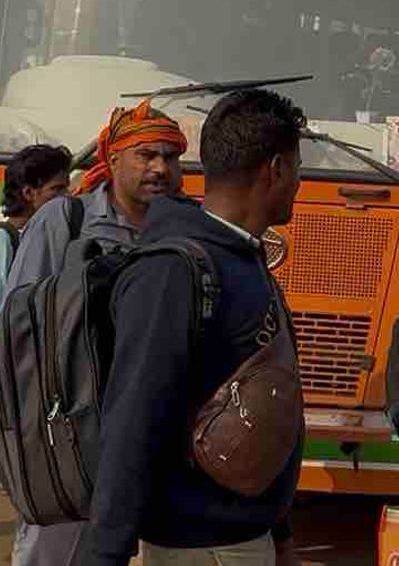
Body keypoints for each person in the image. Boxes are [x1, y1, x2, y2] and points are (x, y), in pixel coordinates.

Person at [81, 88, 305, 566]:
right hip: (201, 550)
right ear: (277, 169)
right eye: (298, 169)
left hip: (242, 539)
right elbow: (134, 419)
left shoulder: (244, 257)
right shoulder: (173, 271)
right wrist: (103, 555)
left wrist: (280, 533)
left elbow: (261, 402)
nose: (299, 183)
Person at [5, 101, 188, 566]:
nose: (160, 168)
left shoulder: (187, 228)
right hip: (68, 439)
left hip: (159, 437)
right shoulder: (66, 221)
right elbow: (18, 328)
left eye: (170, 156)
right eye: (146, 155)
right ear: (114, 158)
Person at [0, 143, 71, 281]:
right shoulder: (4, 241)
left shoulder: (47, 235)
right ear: (28, 193)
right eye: (57, 189)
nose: (67, 196)